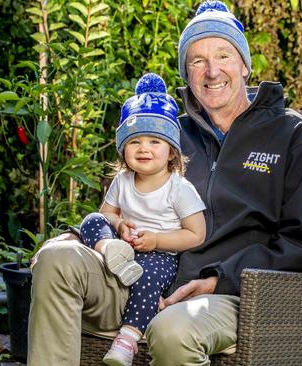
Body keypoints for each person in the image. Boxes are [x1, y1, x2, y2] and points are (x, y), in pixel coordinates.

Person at [27, 1, 302, 365]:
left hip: (231, 294)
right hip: (140, 278)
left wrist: (218, 279)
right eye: (197, 60)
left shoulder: (290, 134)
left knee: (172, 330)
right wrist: (78, 235)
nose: (212, 71)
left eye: (223, 55)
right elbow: (120, 205)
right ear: (186, 72)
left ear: (245, 65)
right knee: (56, 258)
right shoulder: (169, 136)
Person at [77, 73, 206, 366]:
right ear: (124, 149)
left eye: (154, 141)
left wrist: (157, 240)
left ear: (171, 150)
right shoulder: (123, 180)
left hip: (158, 254)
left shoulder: (179, 188)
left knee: (149, 277)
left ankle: (127, 339)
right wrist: (120, 226)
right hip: (123, 246)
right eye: (134, 141)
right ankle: (110, 252)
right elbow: (107, 213)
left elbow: (197, 234)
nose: (144, 148)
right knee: (92, 220)